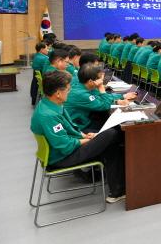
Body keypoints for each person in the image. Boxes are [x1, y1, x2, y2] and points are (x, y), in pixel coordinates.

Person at [30, 71, 126, 203]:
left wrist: (84, 135)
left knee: (110, 143)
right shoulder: (48, 116)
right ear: (58, 93)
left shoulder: (50, 104)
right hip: (61, 157)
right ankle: (118, 189)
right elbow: (65, 146)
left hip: (61, 149)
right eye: (68, 90)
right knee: (112, 134)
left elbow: (70, 127)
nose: (69, 92)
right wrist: (88, 140)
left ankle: (118, 190)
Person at [65, 64, 135, 132]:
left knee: (104, 117)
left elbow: (102, 96)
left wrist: (122, 97)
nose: (102, 80)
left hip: (83, 121)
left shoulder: (83, 85)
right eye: (100, 78)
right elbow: (105, 105)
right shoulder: (82, 94)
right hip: (78, 128)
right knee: (114, 131)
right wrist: (101, 87)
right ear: (90, 81)